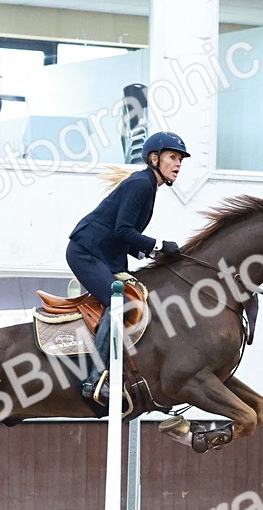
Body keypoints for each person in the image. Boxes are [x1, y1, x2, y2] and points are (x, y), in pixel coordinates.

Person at [66, 131, 190, 402]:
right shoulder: (141, 184)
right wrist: (157, 245)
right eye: (173, 157)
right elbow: (123, 230)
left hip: (103, 254)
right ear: (154, 158)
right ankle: (96, 378)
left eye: (180, 159)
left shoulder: (148, 185)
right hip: (86, 252)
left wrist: (154, 254)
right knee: (119, 301)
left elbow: (123, 234)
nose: (178, 164)